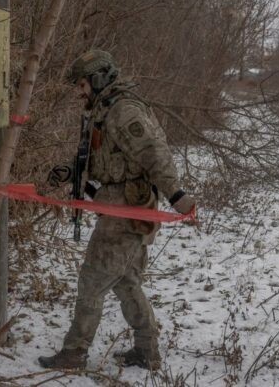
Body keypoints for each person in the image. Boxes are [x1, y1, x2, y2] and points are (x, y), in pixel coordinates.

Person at [38, 50, 196, 370]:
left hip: (126, 207)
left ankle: (74, 352)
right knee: (125, 282)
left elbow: (155, 153)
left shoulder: (122, 110)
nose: (79, 91)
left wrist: (176, 195)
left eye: (82, 84)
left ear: (98, 79)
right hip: (117, 202)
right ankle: (147, 350)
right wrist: (71, 172)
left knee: (93, 280)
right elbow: (100, 158)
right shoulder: (102, 110)